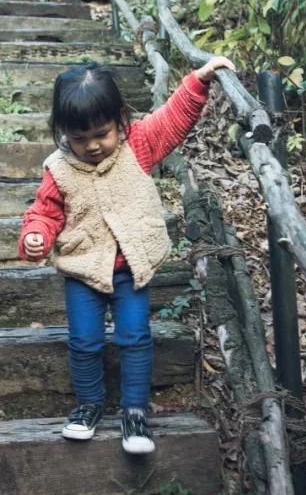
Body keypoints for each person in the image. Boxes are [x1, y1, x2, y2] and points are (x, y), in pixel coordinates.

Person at [17, 56, 236, 454]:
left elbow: (173, 118)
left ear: (120, 120)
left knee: (135, 337)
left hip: (131, 268)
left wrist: (198, 81)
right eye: (80, 139)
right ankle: (88, 405)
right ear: (63, 133)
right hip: (83, 271)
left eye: (101, 134)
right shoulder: (59, 169)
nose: (93, 146)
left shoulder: (138, 143)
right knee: (84, 341)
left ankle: (135, 411)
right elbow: (44, 212)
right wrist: (35, 235)